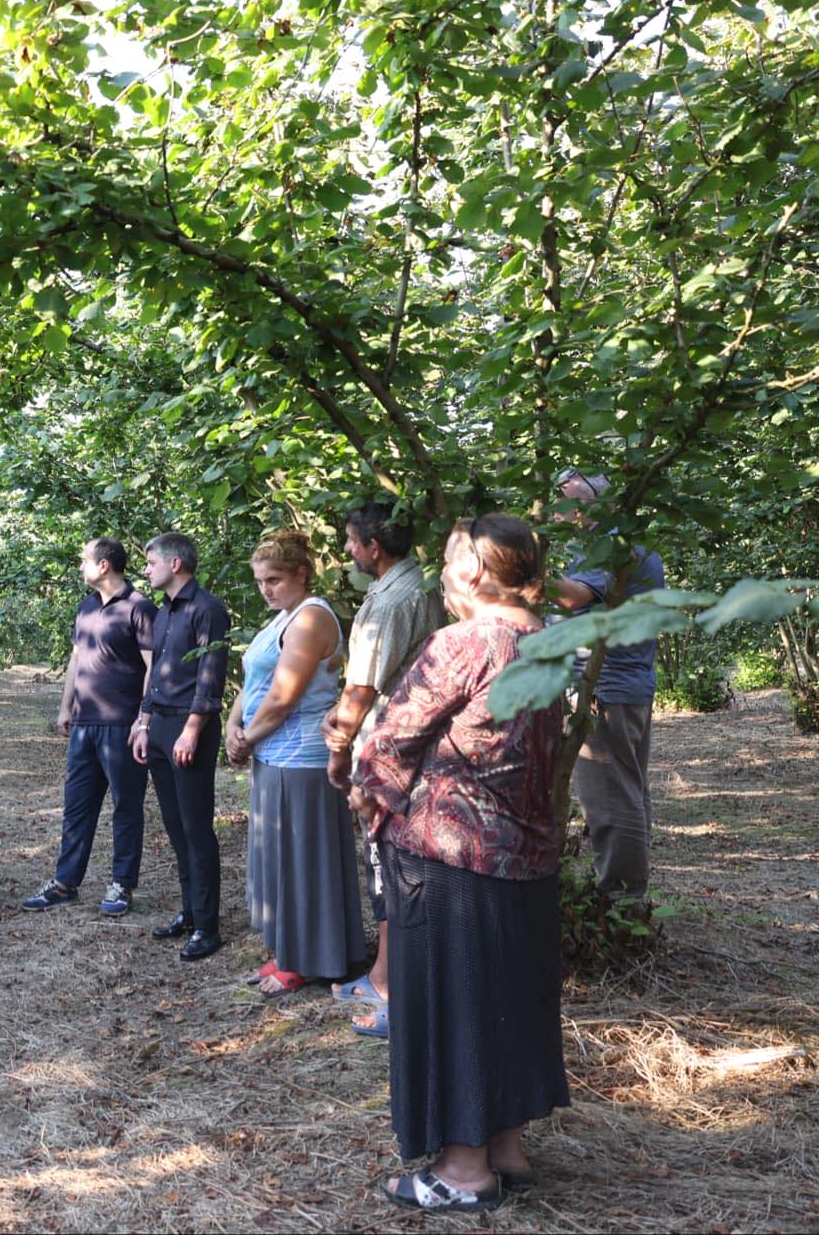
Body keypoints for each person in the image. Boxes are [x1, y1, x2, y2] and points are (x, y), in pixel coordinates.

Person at [352, 514, 568, 1212]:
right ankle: (505, 1148)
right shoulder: (546, 642)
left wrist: (367, 796)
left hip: (450, 857)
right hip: (525, 856)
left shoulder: (466, 641)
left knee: (457, 1004)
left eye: (447, 560)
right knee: (506, 997)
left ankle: (464, 1172)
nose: (442, 573)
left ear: (474, 570)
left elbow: (391, 739)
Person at [320, 501, 444, 1032]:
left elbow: (363, 688)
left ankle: (396, 990)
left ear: (375, 547)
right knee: (394, 867)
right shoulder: (419, 585)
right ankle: (383, 976)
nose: (347, 549)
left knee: (391, 868)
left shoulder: (394, 599)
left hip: (391, 750)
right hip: (413, 745)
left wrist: (339, 749)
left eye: (353, 540)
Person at [225, 530, 360, 995]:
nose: (266, 589)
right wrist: (233, 725)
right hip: (272, 754)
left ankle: (305, 959)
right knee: (280, 859)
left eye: (275, 579)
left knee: (303, 862)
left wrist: (246, 739)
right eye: (260, 581)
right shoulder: (281, 618)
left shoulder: (311, 618)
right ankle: (288, 950)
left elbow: (283, 698)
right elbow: (255, 683)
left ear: (301, 574)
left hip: (302, 758)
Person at [22, 538, 155, 917]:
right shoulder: (86, 606)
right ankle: (65, 883)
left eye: (84, 560)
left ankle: (122, 884)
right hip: (84, 724)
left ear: (104, 565)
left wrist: (143, 720)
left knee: (126, 807)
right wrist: (66, 707)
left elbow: (154, 668)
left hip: (122, 726)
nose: (81, 566)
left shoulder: (139, 607)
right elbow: (77, 659)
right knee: (77, 806)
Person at [552, 469, 667, 901]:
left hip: (606, 689)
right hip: (619, 686)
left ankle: (621, 900)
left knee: (610, 798)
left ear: (593, 503)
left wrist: (516, 567)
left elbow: (571, 597)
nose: (560, 512)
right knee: (625, 790)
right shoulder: (615, 544)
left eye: (567, 502)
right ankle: (626, 895)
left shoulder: (614, 547)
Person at [134, 531, 231, 961]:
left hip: (190, 727)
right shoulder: (163, 612)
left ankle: (207, 927)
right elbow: (157, 673)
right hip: (159, 726)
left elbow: (211, 675)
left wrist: (192, 729)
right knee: (175, 827)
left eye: (151, 562)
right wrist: (144, 722)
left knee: (196, 827)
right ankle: (190, 913)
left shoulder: (207, 609)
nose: (146, 570)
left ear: (175, 563)